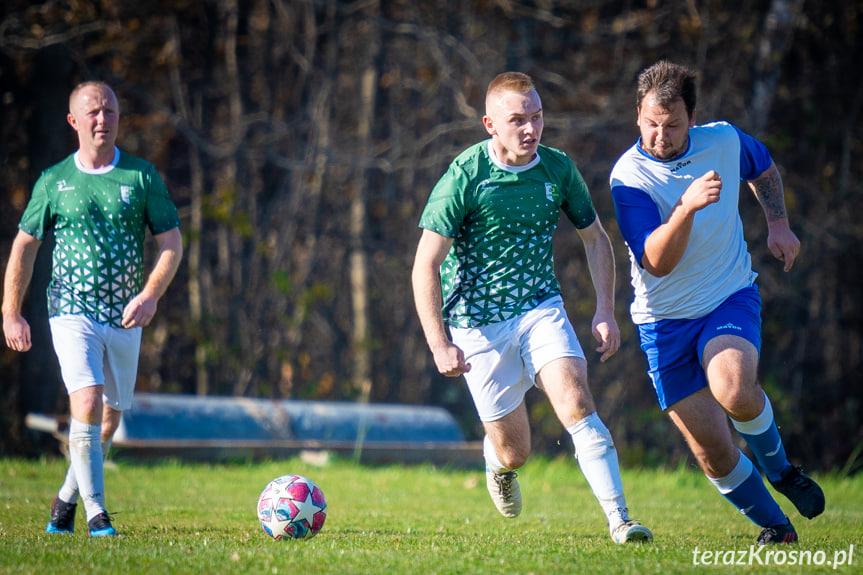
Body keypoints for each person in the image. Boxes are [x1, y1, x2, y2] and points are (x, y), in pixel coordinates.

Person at [411, 72, 652, 544]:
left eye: (537, 117)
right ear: (490, 125)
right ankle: (497, 463)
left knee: (577, 400)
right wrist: (439, 344)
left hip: (540, 307)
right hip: (476, 326)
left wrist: (606, 308)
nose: (530, 129)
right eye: (517, 119)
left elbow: (596, 240)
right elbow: (425, 265)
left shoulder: (558, 169)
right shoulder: (465, 175)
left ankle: (621, 520)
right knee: (516, 452)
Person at [609, 60, 824, 545]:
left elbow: (762, 167)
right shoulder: (628, 177)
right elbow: (655, 262)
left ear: (693, 118)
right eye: (650, 123)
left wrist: (777, 224)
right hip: (663, 321)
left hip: (727, 296)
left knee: (733, 389)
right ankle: (777, 528)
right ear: (637, 116)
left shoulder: (723, 140)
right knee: (712, 451)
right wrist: (685, 206)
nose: (660, 136)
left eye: (673, 125)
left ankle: (782, 469)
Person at [2, 81, 183, 537]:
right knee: (86, 397)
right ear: (73, 122)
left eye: (110, 111)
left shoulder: (142, 177)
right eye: (94, 112)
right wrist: (11, 311)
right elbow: (24, 247)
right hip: (69, 308)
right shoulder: (54, 181)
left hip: (125, 314)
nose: (103, 120)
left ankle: (64, 501)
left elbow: (171, 244)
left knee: (109, 418)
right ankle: (97, 514)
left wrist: (150, 295)